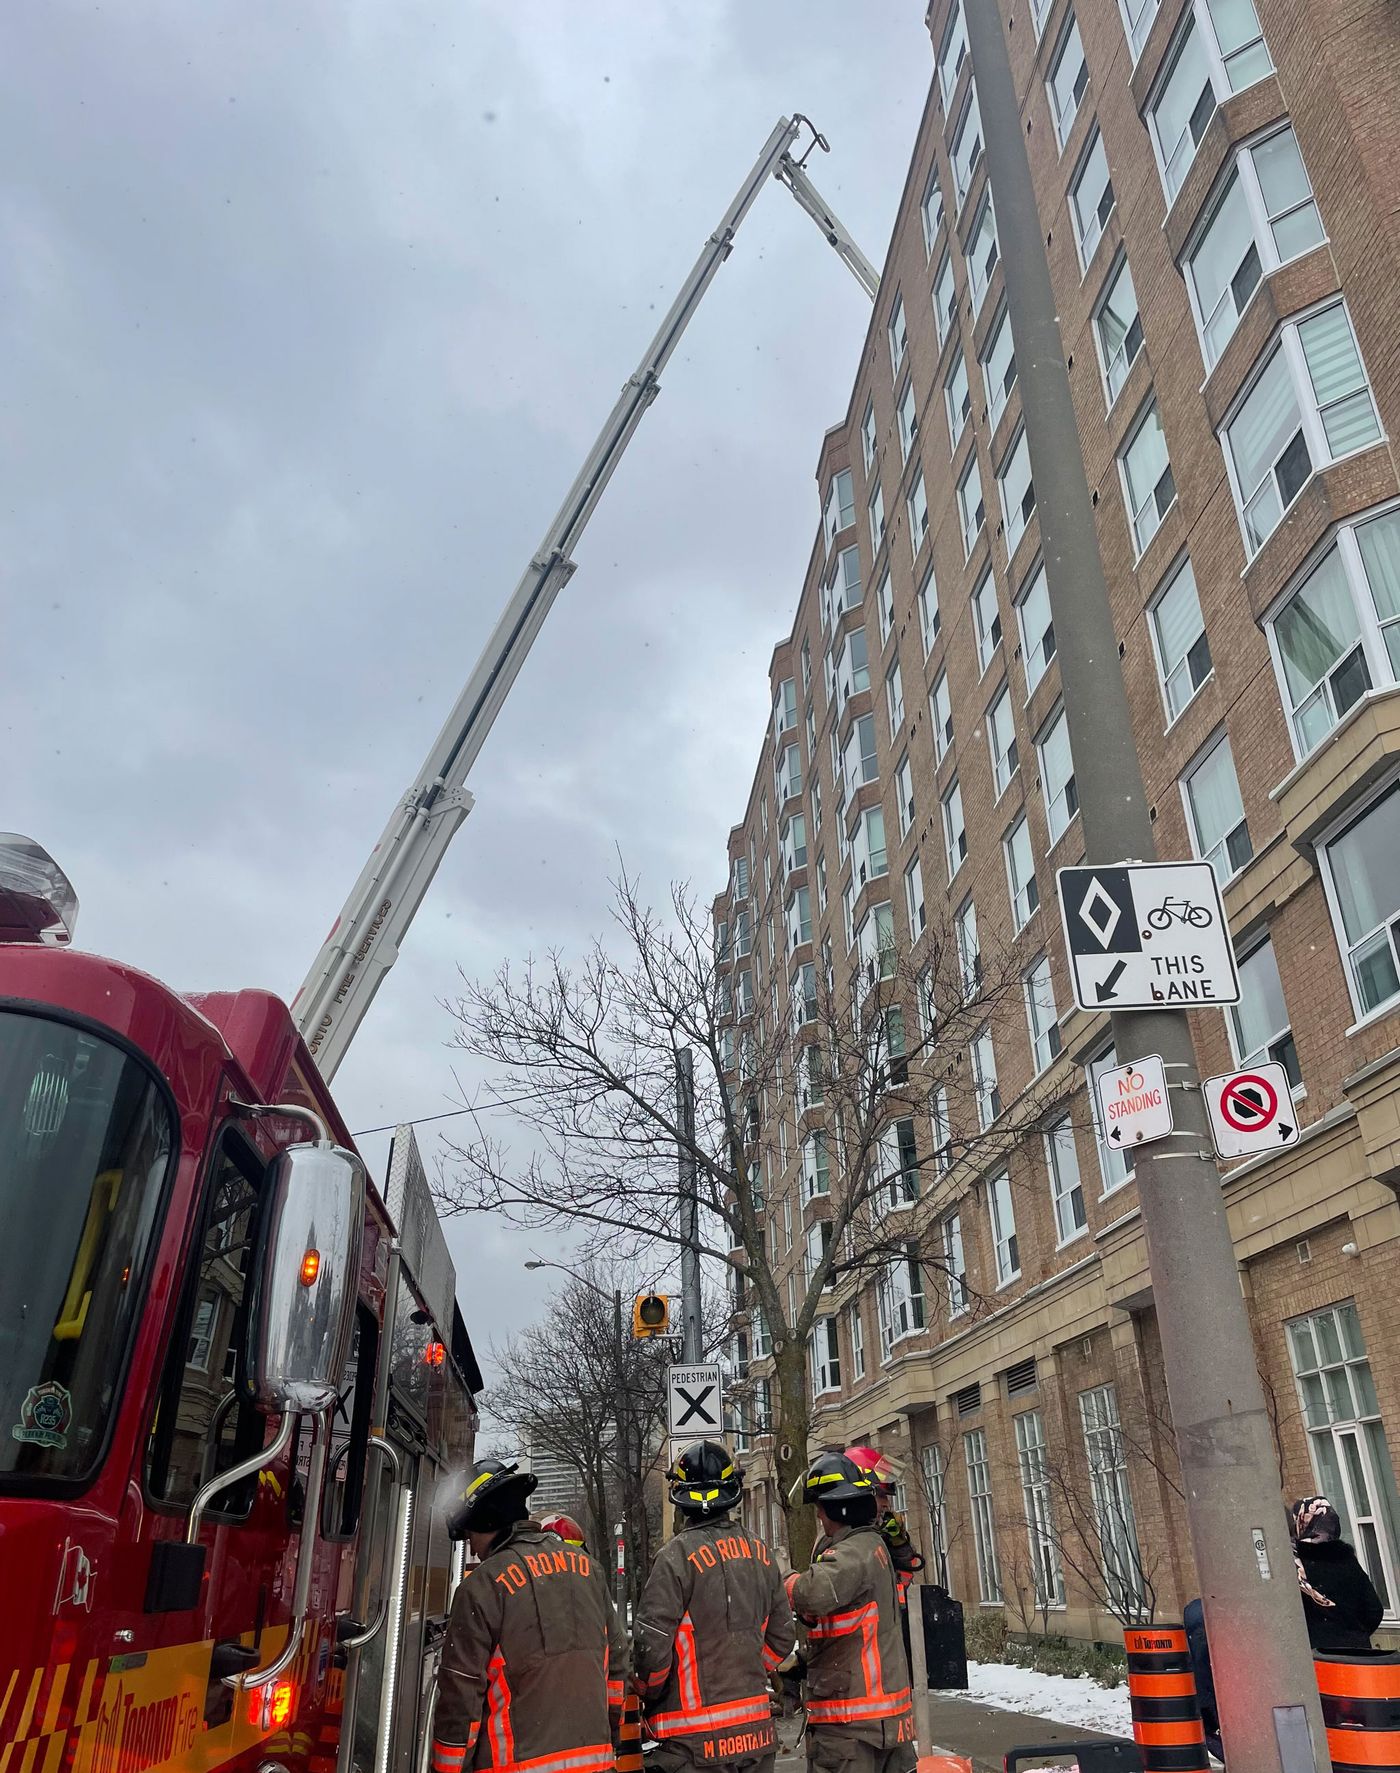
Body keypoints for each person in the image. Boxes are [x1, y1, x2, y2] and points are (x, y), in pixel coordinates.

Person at [430, 1458, 621, 1773]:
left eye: (470, 1535)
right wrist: (607, 1733)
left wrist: (446, 1769)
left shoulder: (482, 1586)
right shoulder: (590, 1570)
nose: (473, 1549)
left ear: (486, 1520)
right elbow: (616, 1666)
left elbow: (460, 1698)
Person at [633, 1439, 795, 1773]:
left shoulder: (674, 1558)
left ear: (680, 1497)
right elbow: (782, 1637)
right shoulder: (760, 1552)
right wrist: (748, 1666)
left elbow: (652, 1653)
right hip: (755, 1738)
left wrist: (652, 1693)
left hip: (693, 1743)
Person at [787, 1451, 915, 1773]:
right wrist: (805, 1660)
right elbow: (852, 1620)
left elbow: (813, 1593)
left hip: (854, 1719)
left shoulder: (855, 1550)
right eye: (879, 1494)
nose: (884, 1505)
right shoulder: (867, 1545)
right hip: (881, 1715)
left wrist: (780, 1580)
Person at [1289, 1494, 1384, 1652]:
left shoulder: (1294, 1563)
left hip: (1318, 1654)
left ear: (1301, 1522)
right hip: (1357, 1652)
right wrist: (1355, 1634)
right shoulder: (1347, 1561)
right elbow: (1374, 1610)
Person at [844, 1447, 925, 1605]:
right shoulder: (843, 1541)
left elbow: (903, 1582)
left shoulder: (873, 1536)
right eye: (880, 1495)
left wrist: (899, 1546)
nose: (886, 1504)